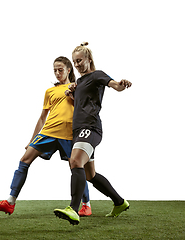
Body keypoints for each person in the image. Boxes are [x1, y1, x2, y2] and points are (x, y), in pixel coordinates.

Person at [0, 56, 92, 216]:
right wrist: (32, 139)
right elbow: (42, 117)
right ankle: (10, 202)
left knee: (77, 168)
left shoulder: (77, 87)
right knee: (24, 160)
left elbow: (86, 107)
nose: (57, 73)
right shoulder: (49, 91)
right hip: (48, 132)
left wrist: (74, 94)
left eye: (60, 70)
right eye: (55, 71)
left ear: (69, 70)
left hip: (69, 134)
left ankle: (86, 205)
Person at [54, 42, 132, 225]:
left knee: (74, 161)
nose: (78, 65)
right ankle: (120, 202)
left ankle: (73, 209)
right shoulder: (79, 82)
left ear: (89, 60)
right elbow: (80, 104)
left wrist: (121, 84)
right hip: (79, 129)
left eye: (80, 60)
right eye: (75, 62)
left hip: (91, 127)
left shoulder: (97, 75)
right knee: (90, 175)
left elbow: (114, 85)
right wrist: (71, 94)